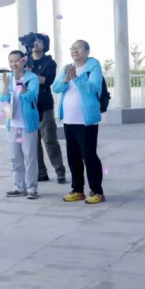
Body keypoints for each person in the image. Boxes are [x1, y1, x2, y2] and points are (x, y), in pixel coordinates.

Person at [53, 40, 106, 204]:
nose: (74, 51)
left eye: (79, 48)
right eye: (72, 48)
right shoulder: (67, 68)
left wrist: (75, 77)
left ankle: (97, 191)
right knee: (73, 156)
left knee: (89, 156)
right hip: (69, 120)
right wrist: (66, 78)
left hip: (86, 121)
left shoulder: (93, 66)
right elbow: (55, 88)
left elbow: (93, 88)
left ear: (87, 51)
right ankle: (77, 190)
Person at [1, 51, 41, 200]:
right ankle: (19, 187)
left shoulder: (32, 78)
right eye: (11, 61)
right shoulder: (9, 77)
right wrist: (6, 86)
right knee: (15, 157)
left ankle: (32, 188)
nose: (14, 64)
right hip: (12, 123)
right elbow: (4, 99)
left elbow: (30, 96)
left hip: (28, 124)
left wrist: (19, 83)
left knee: (30, 157)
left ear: (23, 61)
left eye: (16, 61)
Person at [26, 34, 66, 183]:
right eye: (33, 41)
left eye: (39, 41)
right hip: (29, 106)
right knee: (33, 142)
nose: (35, 44)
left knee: (49, 139)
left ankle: (59, 171)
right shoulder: (25, 61)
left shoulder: (49, 62)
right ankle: (41, 172)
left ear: (45, 45)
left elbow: (46, 81)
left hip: (45, 106)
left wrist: (30, 74)